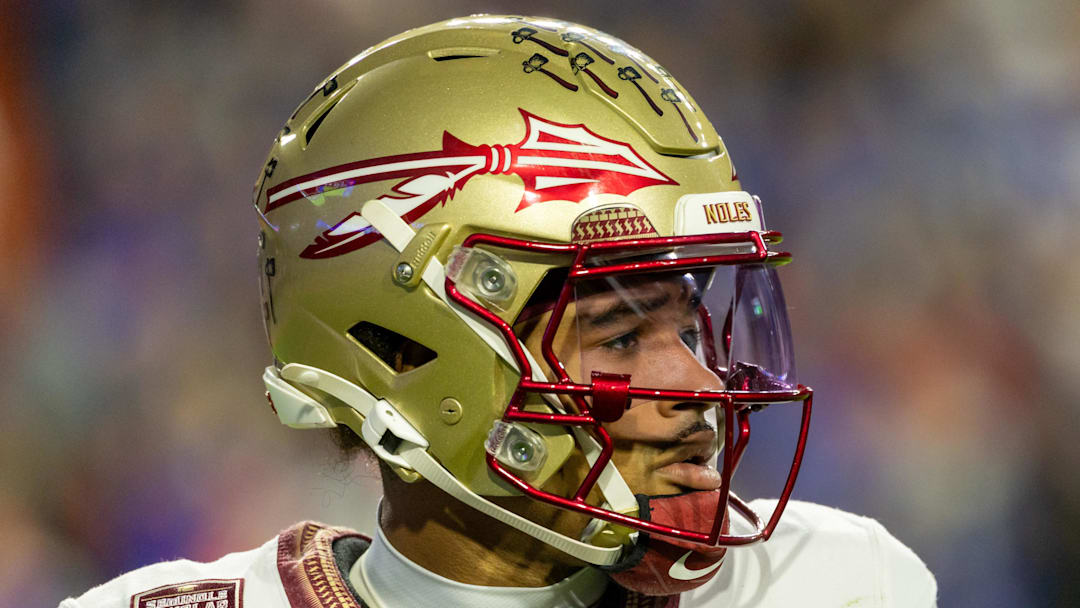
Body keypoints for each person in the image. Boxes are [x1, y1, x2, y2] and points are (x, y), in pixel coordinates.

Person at [62, 15, 937, 608]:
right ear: (403, 355)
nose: (698, 384)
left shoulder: (835, 583)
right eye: (622, 334)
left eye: (690, 326)